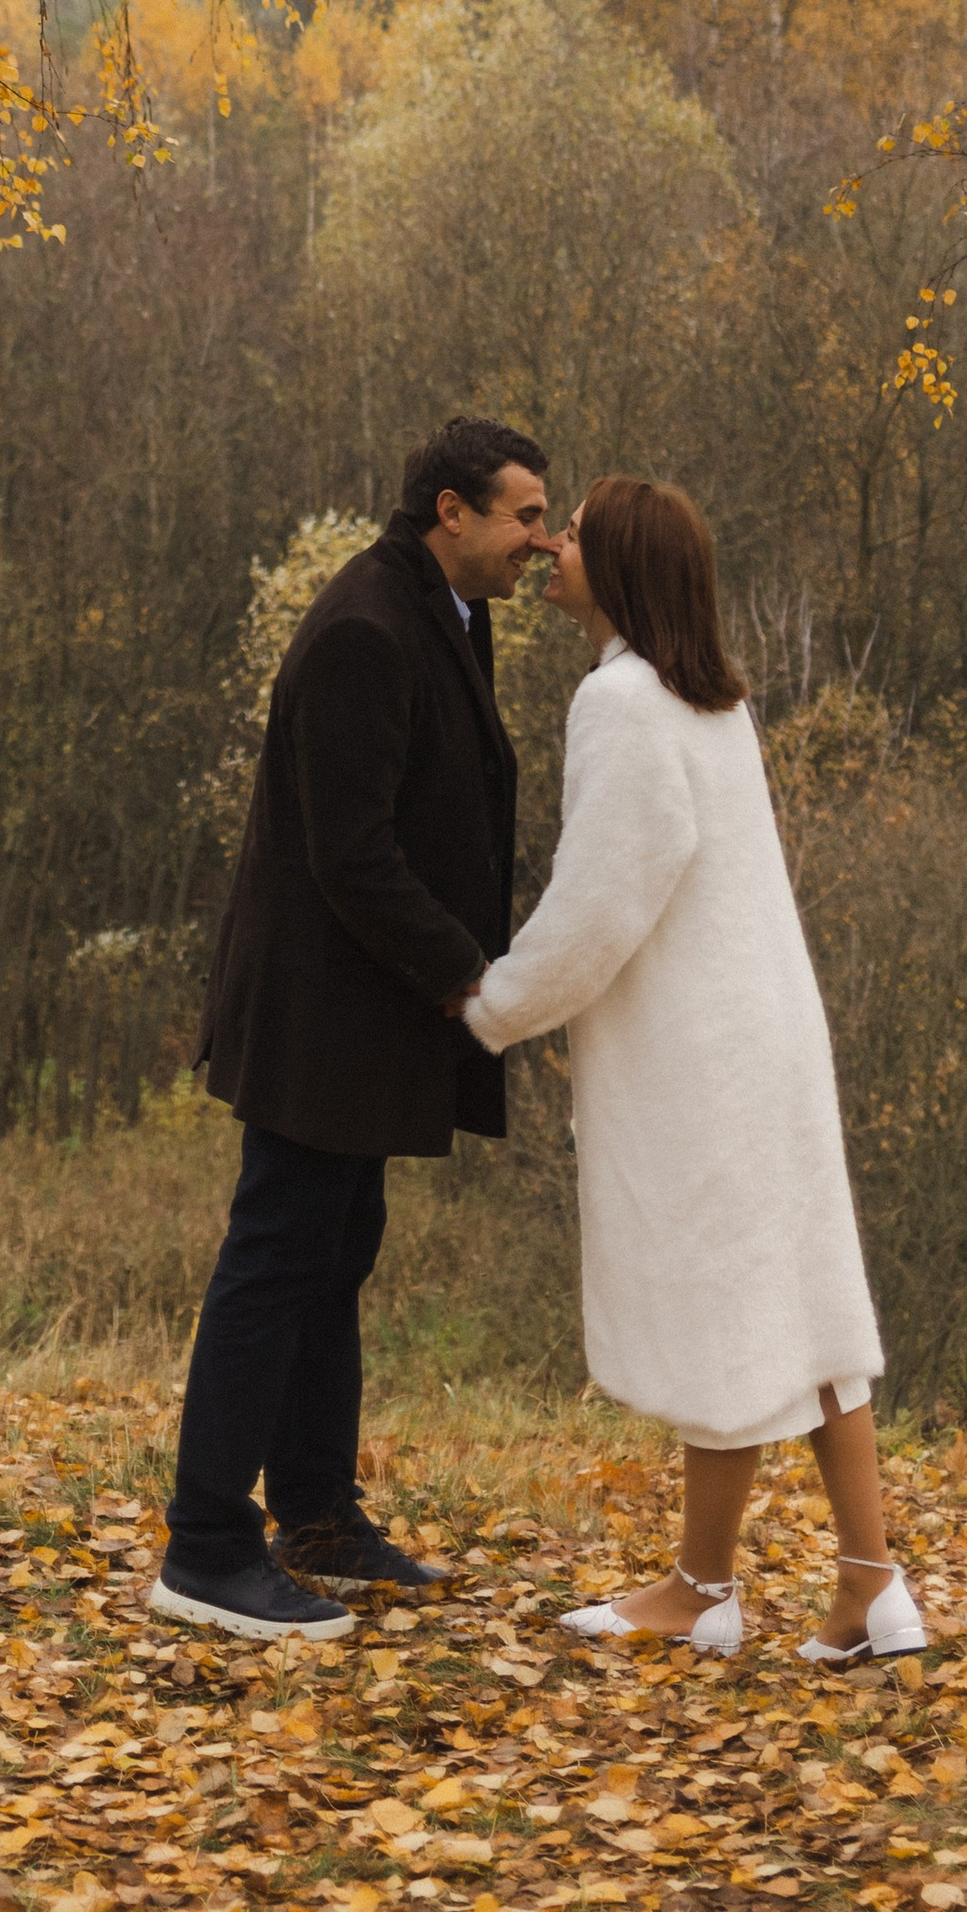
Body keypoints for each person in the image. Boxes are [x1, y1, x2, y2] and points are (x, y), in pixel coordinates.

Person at [462, 471, 922, 1663]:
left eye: (572, 536)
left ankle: (704, 1589)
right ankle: (865, 1582)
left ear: (618, 568)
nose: (550, 548)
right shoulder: (710, 703)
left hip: (697, 1060)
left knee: (727, 1301)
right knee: (807, 1301)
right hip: (769, 1040)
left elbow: (604, 902)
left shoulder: (620, 705)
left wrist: (491, 1004)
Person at [148, 414, 553, 1643]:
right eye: (524, 516)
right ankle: (205, 1544)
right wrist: (466, 981)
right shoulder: (365, 631)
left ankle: (315, 1513)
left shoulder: (443, 613)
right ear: (451, 511)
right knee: (277, 1259)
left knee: (335, 1251)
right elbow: (351, 851)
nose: (540, 539)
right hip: (318, 1017)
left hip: (359, 1020)